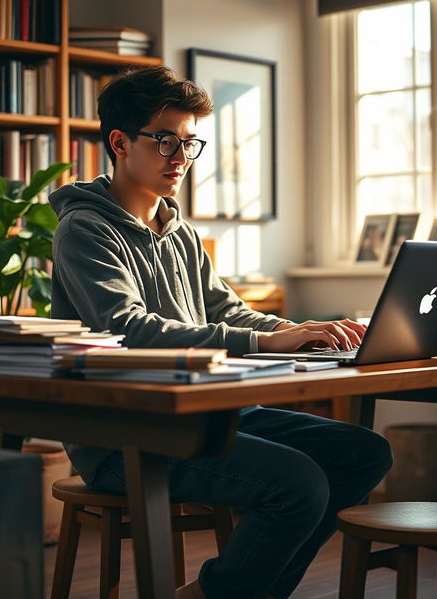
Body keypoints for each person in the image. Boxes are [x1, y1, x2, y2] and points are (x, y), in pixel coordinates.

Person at [49, 65, 392, 599]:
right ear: (119, 142)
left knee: (365, 453)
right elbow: (128, 329)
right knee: (299, 484)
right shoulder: (84, 228)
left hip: (205, 409)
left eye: (189, 143)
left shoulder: (178, 230)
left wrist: (298, 330)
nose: (181, 158)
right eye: (165, 142)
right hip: (127, 433)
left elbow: (226, 310)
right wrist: (264, 343)